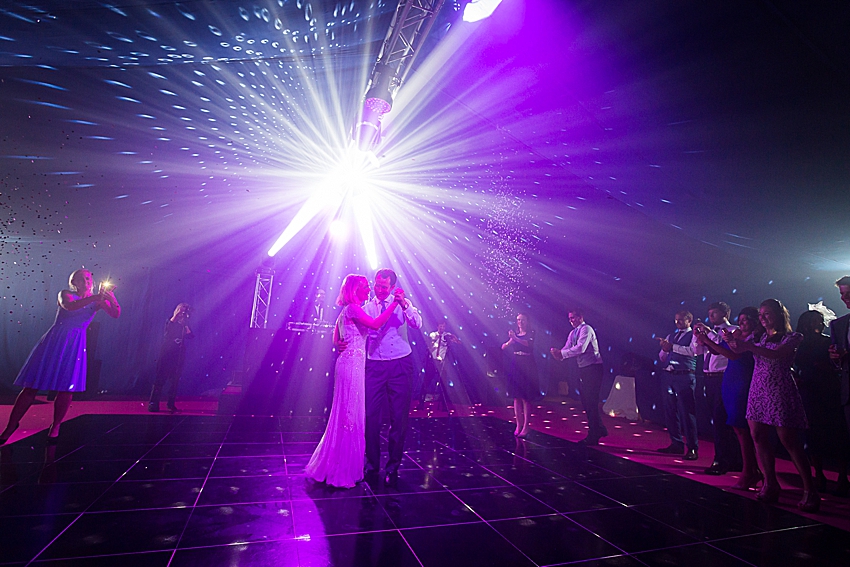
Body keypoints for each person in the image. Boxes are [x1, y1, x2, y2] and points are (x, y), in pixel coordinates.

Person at [0, 269, 120, 445]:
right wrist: (97, 298)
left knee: (66, 389)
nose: (86, 281)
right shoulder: (66, 294)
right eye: (82, 279)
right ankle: (11, 425)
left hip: (75, 344)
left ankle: (55, 426)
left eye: (88, 278)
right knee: (31, 386)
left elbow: (116, 313)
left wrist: (110, 297)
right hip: (55, 341)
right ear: (74, 282)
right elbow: (69, 306)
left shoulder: (98, 301)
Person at [305, 274, 400, 488]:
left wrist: (338, 342)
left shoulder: (348, 310)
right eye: (365, 287)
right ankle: (342, 469)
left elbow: (335, 335)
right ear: (355, 290)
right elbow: (375, 325)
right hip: (351, 366)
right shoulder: (354, 309)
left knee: (346, 414)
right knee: (349, 415)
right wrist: (394, 302)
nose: (369, 290)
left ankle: (339, 463)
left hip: (350, 364)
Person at [728, 299, 818, 511]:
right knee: (757, 435)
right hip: (758, 389)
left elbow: (778, 355)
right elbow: (736, 350)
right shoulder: (757, 336)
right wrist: (717, 339)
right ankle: (770, 483)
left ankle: (810, 489)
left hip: (780, 388)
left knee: (788, 440)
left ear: (779, 314)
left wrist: (748, 345)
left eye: (767, 313)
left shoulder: (792, 336)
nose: (762, 317)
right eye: (760, 314)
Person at [362, 268, 422, 485]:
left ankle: (393, 466)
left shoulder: (403, 304)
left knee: (399, 418)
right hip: (375, 365)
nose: (379, 290)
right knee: (370, 416)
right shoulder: (367, 307)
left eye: (383, 287)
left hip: (400, 364)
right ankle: (371, 465)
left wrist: (404, 303)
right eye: (377, 285)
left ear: (392, 287)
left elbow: (417, 323)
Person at [695, 307, 763, 490]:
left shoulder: (755, 337)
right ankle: (749, 469)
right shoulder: (738, 334)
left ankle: (751, 470)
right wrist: (706, 340)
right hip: (730, 380)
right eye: (740, 319)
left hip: (744, 380)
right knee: (737, 427)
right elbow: (718, 351)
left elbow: (733, 354)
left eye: (746, 319)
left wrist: (709, 339)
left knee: (744, 427)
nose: (742, 322)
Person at [797, 310, 849, 494]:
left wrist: (826, 366)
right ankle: (818, 475)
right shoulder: (799, 341)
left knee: (838, 434)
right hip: (809, 389)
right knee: (812, 434)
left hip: (829, 389)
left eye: (820, 320)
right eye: (814, 321)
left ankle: (842, 477)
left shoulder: (828, 340)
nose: (819, 324)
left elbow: (839, 362)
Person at [693, 301, 742, 475]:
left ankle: (722, 460)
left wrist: (708, 333)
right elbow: (697, 352)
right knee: (718, 418)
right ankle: (733, 460)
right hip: (709, 377)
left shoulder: (734, 329)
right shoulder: (710, 332)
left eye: (715, 313)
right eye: (710, 313)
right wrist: (698, 338)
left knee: (723, 420)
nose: (711, 316)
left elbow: (722, 346)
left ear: (725, 314)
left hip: (725, 376)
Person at [550, 309, 607, 445]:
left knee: (591, 401)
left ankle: (594, 433)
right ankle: (599, 428)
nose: (571, 320)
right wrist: (559, 354)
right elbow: (568, 347)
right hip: (584, 369)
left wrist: (562, 354)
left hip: (593, 368)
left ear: (581, 317)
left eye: (574, 318)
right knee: (587, 401)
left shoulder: (586, 329)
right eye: (569, 318)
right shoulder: (572, 333)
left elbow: (581, 348)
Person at [655, 311, 699, 460]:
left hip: (685, 376)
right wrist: (664, 348)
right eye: (676, 321)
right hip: (669, 376)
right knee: (670, 411)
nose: (678, 323)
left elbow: (693, 352)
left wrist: (672, 347)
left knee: (687, 413)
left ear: (689, 320)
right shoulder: (671, 336)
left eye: (680, 320)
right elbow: (662, 357)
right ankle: (676, 443)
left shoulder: (694, 335)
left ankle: (692, 448)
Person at [148, 303, 194, 413]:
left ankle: (171, 403)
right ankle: (153, 403)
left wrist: (186, 324)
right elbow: (168, 329)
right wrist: (177, 315)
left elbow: (190, 336)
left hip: (178, 355)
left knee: (174, 381)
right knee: (160, 379)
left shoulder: (184, 325)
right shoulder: (171, 321)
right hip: (167, 354)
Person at [829, 275, 850, 496]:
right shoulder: (839, 323)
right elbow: (838, 362)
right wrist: (835, 357)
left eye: (848, 294)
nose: (845, 299)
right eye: (842, 295)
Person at [502, 313, 537, 437]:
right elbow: (503, 346)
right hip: (516, 364)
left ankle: (526, 426)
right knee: (516, 397)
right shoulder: (515, 335)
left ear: (527, 321)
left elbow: (528, 344)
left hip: (527, 364)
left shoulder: (531, 333)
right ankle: (518, 424)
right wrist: (510, 341)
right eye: (518, 320)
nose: (520, 322)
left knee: (525, 397)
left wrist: (515, 339)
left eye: (522, 320)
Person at [422, 320, 461, 404]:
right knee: (427, 381)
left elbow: (458, 342)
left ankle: (443, 403)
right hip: (432, 361)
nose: (442, 328)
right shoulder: (433, 334)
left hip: (442, 362)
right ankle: (421, 400)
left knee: (443, 383)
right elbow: (429, 347)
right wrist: (434, 341)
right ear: (437, 326)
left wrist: (453, 339)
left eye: (443, 326)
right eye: (441, 326)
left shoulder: (447, 335)